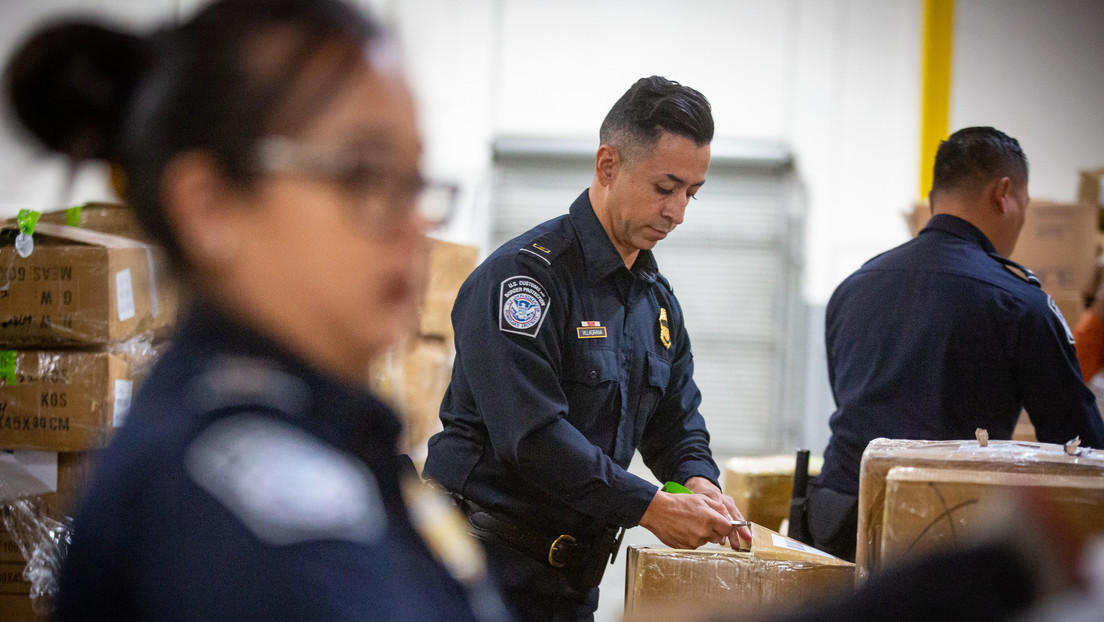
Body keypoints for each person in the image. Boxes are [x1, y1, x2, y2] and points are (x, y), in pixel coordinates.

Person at [4, 1, 508, 620]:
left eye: (414, 180)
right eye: (365, 174)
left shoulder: (337, 434)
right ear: (209, 206)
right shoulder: (213, 512)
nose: (416, 221)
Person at [423, 75, 751, 621]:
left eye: (691, 193)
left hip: (571, 588)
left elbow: (676, 420)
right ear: (607, 165)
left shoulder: (656, 304)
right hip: (481, 577)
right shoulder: (523, 282)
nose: (678, 212)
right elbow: (532, 439)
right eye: (665, 187)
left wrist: (698, 479)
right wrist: (649, 507)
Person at [800, 126, 1104, 562]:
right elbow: (1083, 448)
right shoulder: (1019, 303)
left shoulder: (853, 287)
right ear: (1003, 194)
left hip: (838, 525)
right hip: (946, 537)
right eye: (1025, 205)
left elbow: (852, 399)